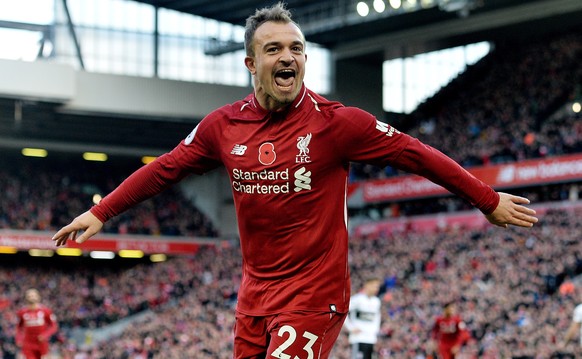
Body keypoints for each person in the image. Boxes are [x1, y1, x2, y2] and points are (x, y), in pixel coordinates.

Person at [52, 2, 538, 358]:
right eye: (274, 49)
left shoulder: (338, 123)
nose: (289, 57)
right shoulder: (222, 126)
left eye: (297, 48)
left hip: (314, 294)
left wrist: (487, 198)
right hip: (255, 295)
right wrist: (100, 211)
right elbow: (164, 169)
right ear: (250, 63)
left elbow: (417, 153)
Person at [343, 278, 382, 359]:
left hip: (370, 339)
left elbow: (377, 317)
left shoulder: (376, 301)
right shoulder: (357, 299)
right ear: (367, 286)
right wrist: (351, 328)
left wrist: (375, 331)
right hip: (358, 338)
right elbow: (344, 312)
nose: (377, 289)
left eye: (377, 287)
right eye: (375, 286)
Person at [15, 289, 58, 359]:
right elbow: (19, 327)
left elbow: (53, 326)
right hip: (28, 344)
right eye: (29, 296)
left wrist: (45, 335)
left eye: (34, 295)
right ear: (26, 298)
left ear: (38, 297)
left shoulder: (46, 311)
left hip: (41, 343)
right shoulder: (22, 312)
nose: (32, 297)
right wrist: (19, 339)